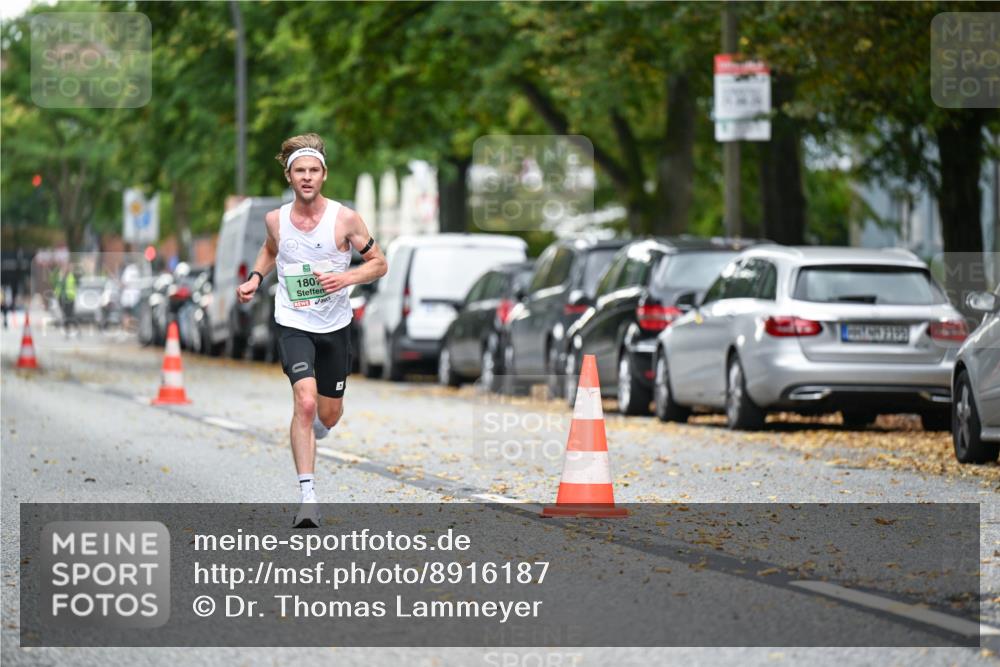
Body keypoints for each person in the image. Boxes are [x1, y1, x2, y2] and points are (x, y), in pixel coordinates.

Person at [236, 133, 387, 528]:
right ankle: (308, 497)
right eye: (299, 170)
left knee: (329, 414)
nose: (307, 177)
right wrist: (255, 278)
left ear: (324, 175)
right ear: (289, 176)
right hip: (293, 321)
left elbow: (379, 264)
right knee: (303, 401)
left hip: (335, 325)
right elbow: (271, 250)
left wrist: (346, 277)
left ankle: (321, 425)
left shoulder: (345, 219)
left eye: (313, 170)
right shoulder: (276, 220)